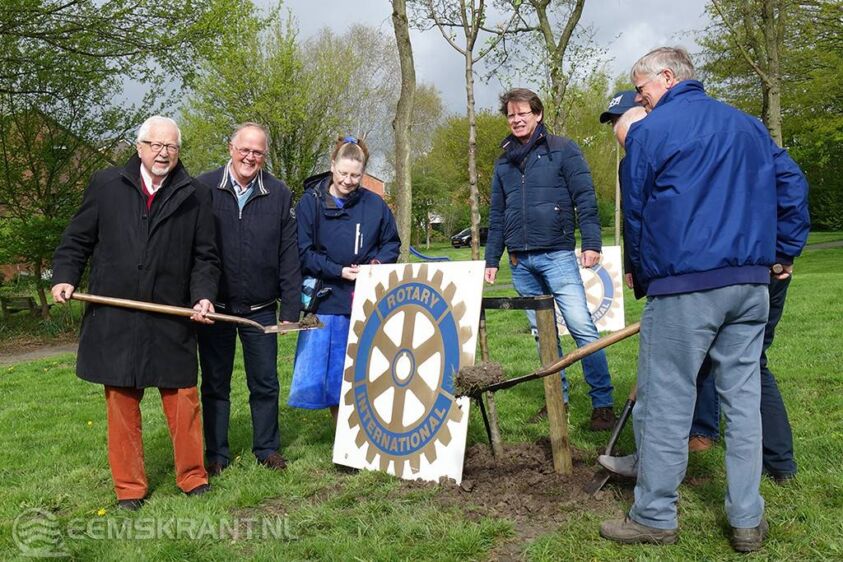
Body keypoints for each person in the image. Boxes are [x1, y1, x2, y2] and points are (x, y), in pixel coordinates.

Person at [598, 47, 809, 553]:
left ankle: (654, 515)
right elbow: (792, 185)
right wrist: (782, 252)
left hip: (685, 285)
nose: (640, 97)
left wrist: (645, 277)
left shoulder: (651, 132)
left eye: (642, 86)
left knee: (668, 400)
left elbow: (639, 213)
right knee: (742, 400)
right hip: (749, 285)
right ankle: (746, 520)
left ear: (667, 78)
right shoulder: (749, 127)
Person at [51, 115, 220, 510]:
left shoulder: (195, 194)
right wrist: (64, 276)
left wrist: (203, 297)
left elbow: (205, 257)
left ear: (179, 152)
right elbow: (77, 239)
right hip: (117, 317)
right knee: (122, 402)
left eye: (171, 147)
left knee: (183, 398)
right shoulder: (107, 185)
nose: (163, 153)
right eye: (155, 145)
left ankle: (192, 477)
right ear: (139, 146)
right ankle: (130, 489)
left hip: (171, 316)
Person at [484, 88, 616, 431]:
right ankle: (559, 399)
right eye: (511, 115)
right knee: (542, 335)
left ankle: (603, 403)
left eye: (522, 113)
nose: (516, 119)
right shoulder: (503, 162)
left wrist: (592, 242)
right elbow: (496, 214)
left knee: (581, 327)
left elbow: (584, 198)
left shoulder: (563, 149)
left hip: (557, 254)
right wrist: (491, 259)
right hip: (519, 262)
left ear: (538, 114)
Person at [195, 123, 301, 476]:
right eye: (245, 149)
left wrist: (290, 307)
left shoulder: (279, 193)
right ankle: (216, 454)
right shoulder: (205, 188)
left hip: (261, 310)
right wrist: (199, 297)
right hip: (217, 309)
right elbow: (194, 249)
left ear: (264, 156)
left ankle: (267, 448)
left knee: (265, 382)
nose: (250, 157)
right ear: (231, 148)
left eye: (257, 152)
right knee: (214, 383)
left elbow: (289, 253)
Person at [288, 136, 400, 422]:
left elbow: (391, 244)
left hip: (367, 297)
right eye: (343, 174)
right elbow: (303, 253)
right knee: (334, 373)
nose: (348, 181)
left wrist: (375, 265)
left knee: (368, 366)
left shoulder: (375, 205)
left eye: (355, 175)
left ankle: (375, 422)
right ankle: (343, 430)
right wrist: (338, 270)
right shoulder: (309, 204)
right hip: (327, 299)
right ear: (332, 166)